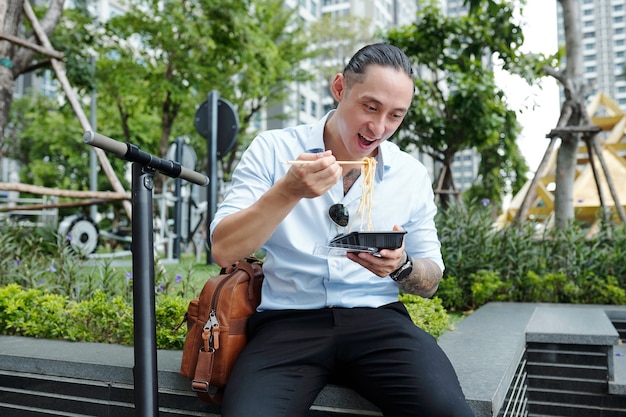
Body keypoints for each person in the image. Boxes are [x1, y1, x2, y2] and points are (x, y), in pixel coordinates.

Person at [210, 43, 474, 417]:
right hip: (288, 322)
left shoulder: (410, 173)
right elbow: (223, 248)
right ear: (339, 88)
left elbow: (431, 280)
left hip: (379, 320)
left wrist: (400, 267)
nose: (379, 127)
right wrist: (288, 191)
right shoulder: (273, 149)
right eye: (370, 106)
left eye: (395, 116)